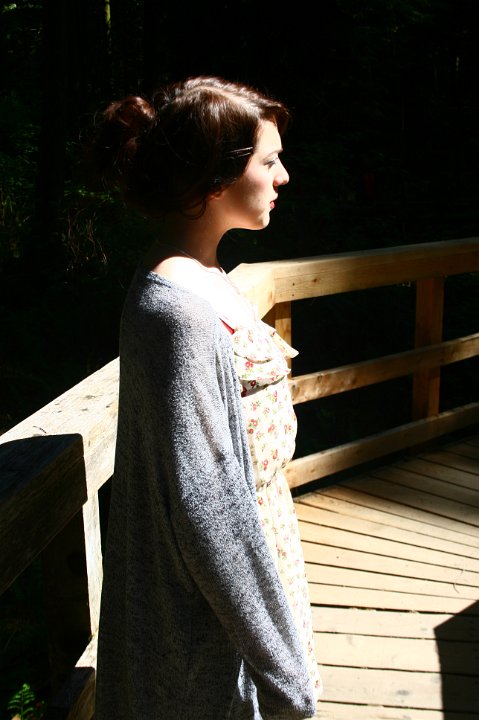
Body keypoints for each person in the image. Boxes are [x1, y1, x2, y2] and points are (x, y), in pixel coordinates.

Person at [88, 75, 322, 719]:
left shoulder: (203, 274)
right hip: (213, 620)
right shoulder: (178, 313)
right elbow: (208, 510)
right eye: (268, 162)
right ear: (214, 178)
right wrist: (284, 672)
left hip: (255, 578)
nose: (283, 177)